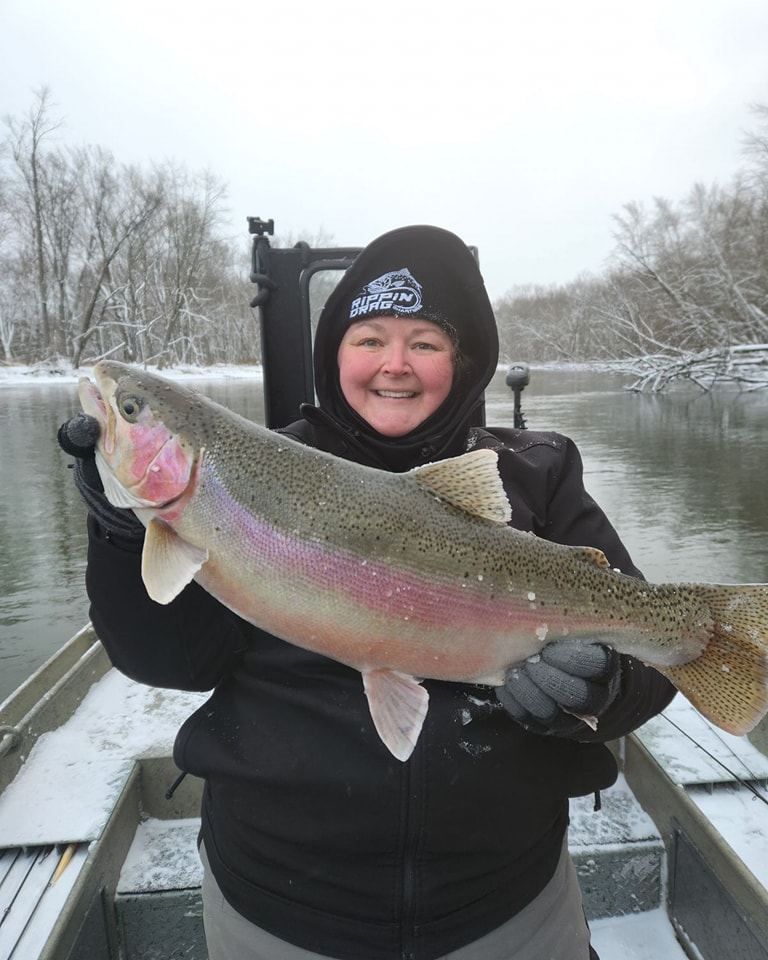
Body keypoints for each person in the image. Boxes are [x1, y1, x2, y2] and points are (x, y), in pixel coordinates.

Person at [59, 225, 675, 960]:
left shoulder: (537, 475)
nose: (395, 365)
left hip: (506, 901)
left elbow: (657, 663)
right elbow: (169, 660)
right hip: (277, 904)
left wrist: (599, 690)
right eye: (369, 339)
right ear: (334, 356)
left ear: (464, 361)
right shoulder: (255, 470)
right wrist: (122, 527)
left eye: (425, 342)